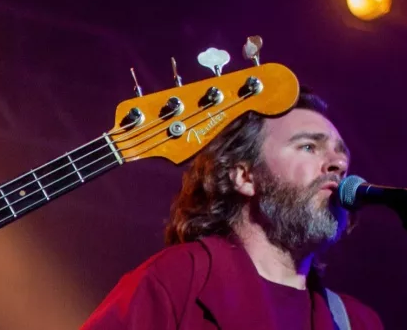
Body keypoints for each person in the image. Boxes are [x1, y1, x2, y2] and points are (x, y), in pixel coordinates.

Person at [81, 89, 383, 330]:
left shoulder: (357, 322)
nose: (338, 164)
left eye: (341, 154)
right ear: (244, 176)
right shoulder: (177, 280)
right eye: (308, 147)